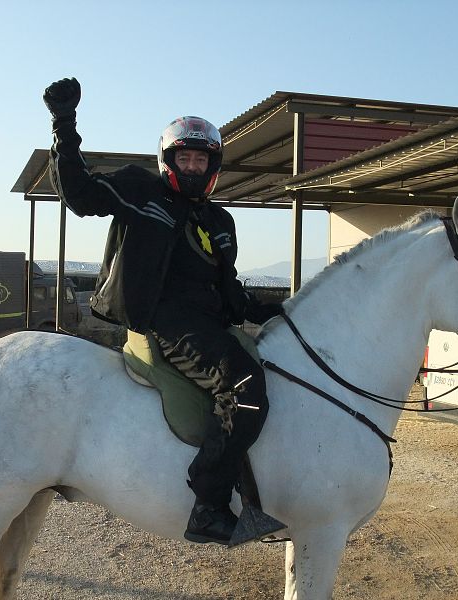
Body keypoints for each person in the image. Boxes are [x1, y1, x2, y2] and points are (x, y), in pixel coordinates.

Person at [43, 77, 283, 544]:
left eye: (201, 160)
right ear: (168, 161)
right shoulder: (142, 192)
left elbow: (229, 291)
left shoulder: (220, 221)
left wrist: (275, 309)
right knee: (245, 386)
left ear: (212, 166)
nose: (192, 167)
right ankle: (208, 505)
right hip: (167, 324)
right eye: (184, 158)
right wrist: (64, 123)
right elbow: (79, 193)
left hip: (209, 323)